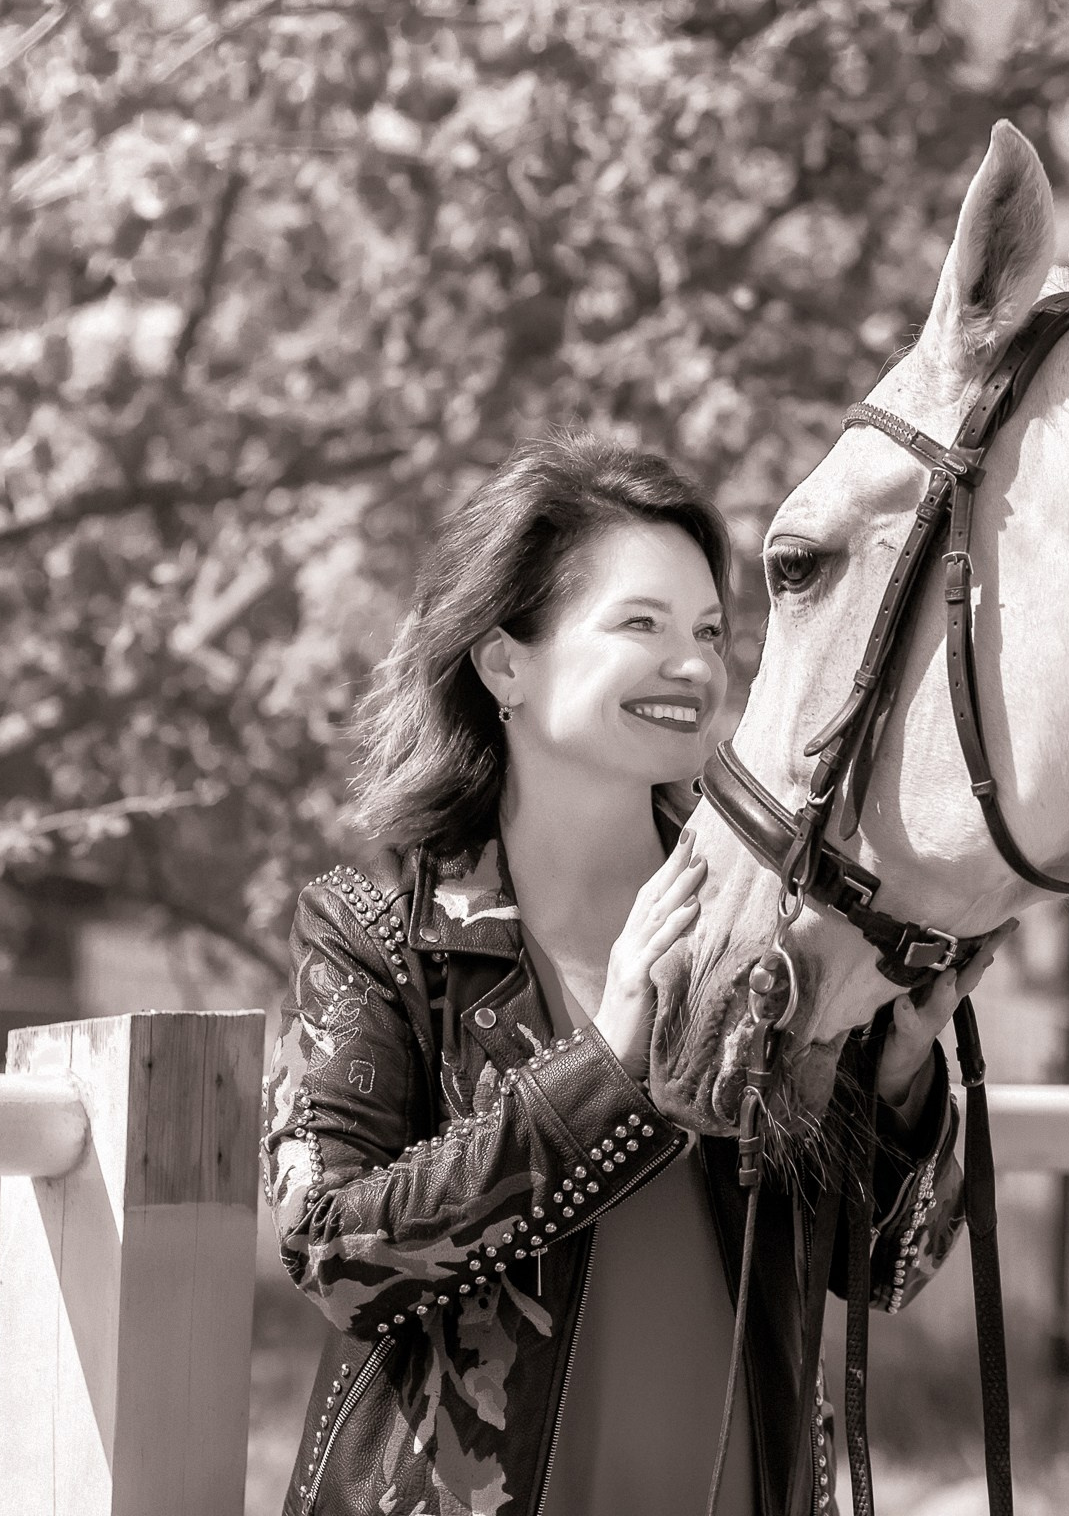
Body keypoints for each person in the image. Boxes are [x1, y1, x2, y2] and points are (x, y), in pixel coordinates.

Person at [262, 437, 983, 1516]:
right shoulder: (381, 935)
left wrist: (905, 1082)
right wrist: (607, 1063)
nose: (694, 666)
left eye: (708, 633)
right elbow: (335, 1254)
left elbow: (888, 1267)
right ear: (504, 662)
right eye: (640, 625)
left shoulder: (776, 932)